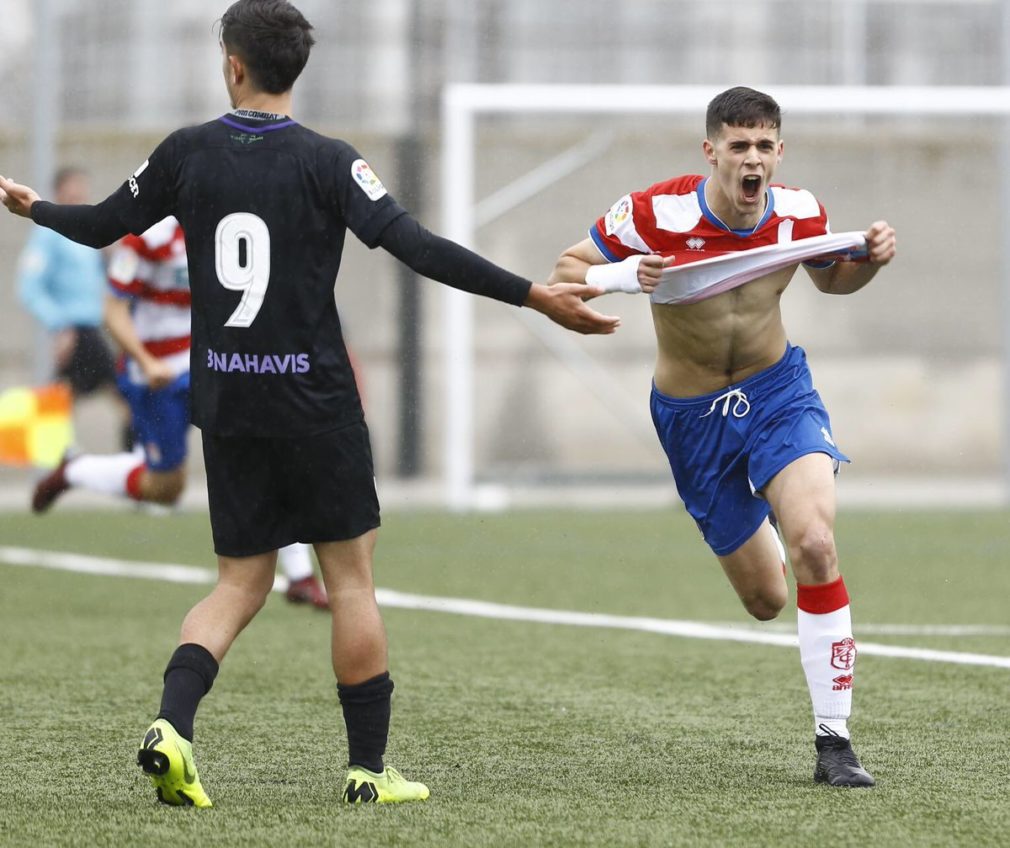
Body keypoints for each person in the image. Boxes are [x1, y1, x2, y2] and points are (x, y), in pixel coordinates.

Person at [0, 0, 619, 808]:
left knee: (237, 583)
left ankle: (173, 727)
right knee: (351, 581)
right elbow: (418, 247)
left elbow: (99, 226)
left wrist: (30, 206)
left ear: (232, 65)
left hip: (227, 397)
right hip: (316, 401)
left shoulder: (187, 152)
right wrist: (535, 296)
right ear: (297, 68)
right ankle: (368, 772)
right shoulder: (331, 162)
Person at [548, 86, 896, 788]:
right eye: (739, 146)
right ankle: (766, 513)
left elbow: (832, 283)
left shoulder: (800, 211)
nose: (753, 159)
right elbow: (565, 273)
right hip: (692, 417)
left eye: (765, 145)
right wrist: (623, 276)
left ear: (779, 153)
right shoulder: (656, 212)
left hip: (778, 393)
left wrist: (871, 262)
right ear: (712, 151)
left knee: (817, 545)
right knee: (767, 600)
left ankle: (835, 743)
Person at [30, 214, 328, 609]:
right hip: (156, 374)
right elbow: (113, 309)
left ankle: (300, 576)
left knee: (263, 451)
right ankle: (75, 470)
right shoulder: (150, 237)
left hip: (212, 364)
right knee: (166, 488)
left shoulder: (232, 223)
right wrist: (144, 360)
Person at [17, 166, 131, 447]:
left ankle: (61, 464)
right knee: (123, 397)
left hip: (93, 328)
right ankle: (139, 459)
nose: (78, 196)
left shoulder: (89, 234)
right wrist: (60, 325)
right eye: (72, 191)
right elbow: (29, 287)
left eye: (82, 190)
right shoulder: (49, 235)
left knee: (64, 399)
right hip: (76, 331)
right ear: (57, 194)